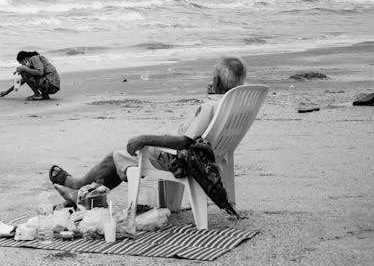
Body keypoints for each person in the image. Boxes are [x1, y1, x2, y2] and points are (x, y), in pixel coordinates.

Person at [47, 56, 247, 205]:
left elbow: (184, 141)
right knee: (125, 156)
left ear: (217, 82)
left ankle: (79, 189)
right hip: (213, 155)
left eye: (213, 78)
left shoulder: (209, 107)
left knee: (118, 155)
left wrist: (145, 138)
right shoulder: (232, 105)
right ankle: (86, 192)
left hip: (177, 156)